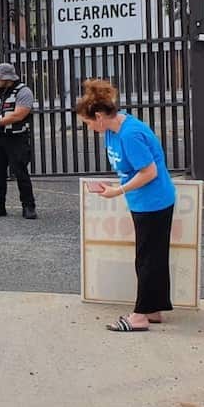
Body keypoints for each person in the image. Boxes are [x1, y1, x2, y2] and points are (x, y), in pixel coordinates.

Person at [76, 79, 176, 333]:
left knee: (147, 259)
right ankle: (153, 309)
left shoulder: (129, 134)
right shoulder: (113, 130)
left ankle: (140, 315)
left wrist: (117, 191)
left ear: (98, 116)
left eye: (87, 123)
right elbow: (128, 169)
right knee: (152, 257)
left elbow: (149, 172)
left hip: (153, 202)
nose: (88, 128)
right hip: (143, 202)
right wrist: (113, 185)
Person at [0, 63, 38, 220]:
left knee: (20, 172)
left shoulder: (24, 92)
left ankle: (28, 206)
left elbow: (18, 115)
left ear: (7, 78)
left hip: (16, 138)